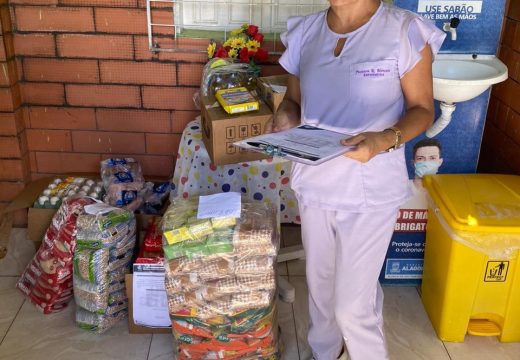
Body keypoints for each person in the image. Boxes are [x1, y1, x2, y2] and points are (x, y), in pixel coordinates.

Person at [266, 1, 445, 359]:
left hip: (370, 188)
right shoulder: (307, 32)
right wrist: (284, 117)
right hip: (315, 182)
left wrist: (385, 139)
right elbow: (294, 102)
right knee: (320, 290)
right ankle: (324, 352)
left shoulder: (403, 31)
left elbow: (423, 109)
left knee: (353, 306)